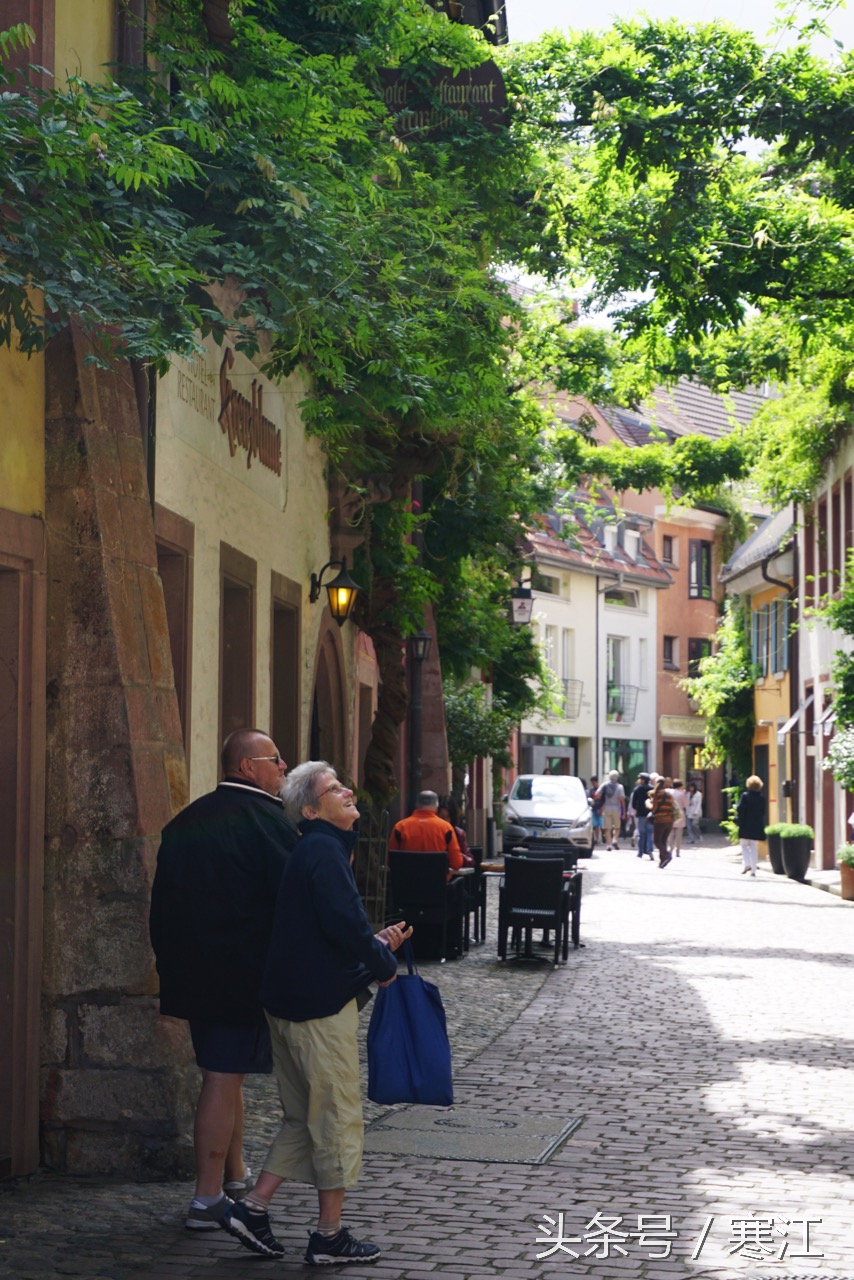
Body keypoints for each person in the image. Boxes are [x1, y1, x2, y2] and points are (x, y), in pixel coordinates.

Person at [220, 761, 412, 1266]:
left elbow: (328, 929)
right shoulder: (324, 850)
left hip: (290, 1004)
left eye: (342, 784)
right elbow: (345, 924)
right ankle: (328, 1237)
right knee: (337, 1120)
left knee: (302, 1118)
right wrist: (382, 962)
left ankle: (254, 1208)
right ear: (310, 809)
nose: (347, 790)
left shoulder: (316, 849)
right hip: (316, 1011)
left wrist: (373, 945)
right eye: (333, 789)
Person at [149, 729, 297, 1231]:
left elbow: (161, 908)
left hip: (194, 973)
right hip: (242, 976)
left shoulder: (186, 821)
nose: (283, 768)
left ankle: (233, 1174)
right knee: (219, 1077)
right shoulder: (267, 822)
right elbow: (293, 901)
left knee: (222, 1070)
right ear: (246, 767)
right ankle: (206, 1197)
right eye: (275, 760)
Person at [389, 789, 463, 876]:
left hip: (405, 885)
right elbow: (457, 864)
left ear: (417, 805)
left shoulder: (400, 827)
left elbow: (390, 861)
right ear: (436, 806)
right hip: (437, 886)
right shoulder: (446, 828)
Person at [736, 774, 766, 877]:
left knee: (744, 845)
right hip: (756, 825)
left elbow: (740, 809)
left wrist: (739, 820)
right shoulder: (761, 798)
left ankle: (747, 864)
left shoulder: (745, 796)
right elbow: (763, 812)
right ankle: (753, 870)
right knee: (754, 847)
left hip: (745, 824)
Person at [438, 796, 475, 867]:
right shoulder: (433, 833)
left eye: (447, 817)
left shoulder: (459, 834)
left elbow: (470, 861)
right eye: (441, 817)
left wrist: (455, 854)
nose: (445, 821)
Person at [648, 776, 676, 868]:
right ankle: (662, 861)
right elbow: (673, 807)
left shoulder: (655, 794)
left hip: (660, 820)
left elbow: (653, 808)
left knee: (657, 841)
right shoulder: (669, 795)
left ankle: (667, 854)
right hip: (670, 821)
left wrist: (647, 803)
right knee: (663, 841)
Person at [597, 770, 625, 850]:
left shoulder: (604, 785)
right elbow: (622, 800)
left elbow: (597, 794)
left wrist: (600, 801)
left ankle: (608, 845)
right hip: (616, 808)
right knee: (617, 827)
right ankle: (615, 840)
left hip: (607, 808)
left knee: (607, 828)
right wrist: (623, 812)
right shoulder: (620, 787)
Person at [629, 772, 655, 860]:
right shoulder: (652, 788)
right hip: (650, 814)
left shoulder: (637, 789)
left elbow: (633, 803)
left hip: (641, 814)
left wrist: (637, 808)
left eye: (640, 779)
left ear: (643, 780)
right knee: (650, 833)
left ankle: (640, 852)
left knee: (641, 834)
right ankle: (650, 851)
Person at [668, 779, 689, 857]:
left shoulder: (668, 792)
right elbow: (686, 805)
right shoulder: (682, 794)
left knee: (671, 833)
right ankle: (678, 850)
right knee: (679, 834)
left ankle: (670, 848)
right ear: (680, 786)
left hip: (670, 813)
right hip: (679, 814)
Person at [588, 776, 604, 845]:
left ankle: (604, 837)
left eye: (593, 782)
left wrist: (602, 809)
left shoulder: (601, 790)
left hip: (600, 808)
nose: (593, 784)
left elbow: (604, 800)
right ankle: (597, 839)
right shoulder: (591, 790)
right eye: (592, 783)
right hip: (594, 808)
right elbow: (591, 800)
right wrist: (595, 798)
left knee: (602, 825)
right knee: (595, 825)